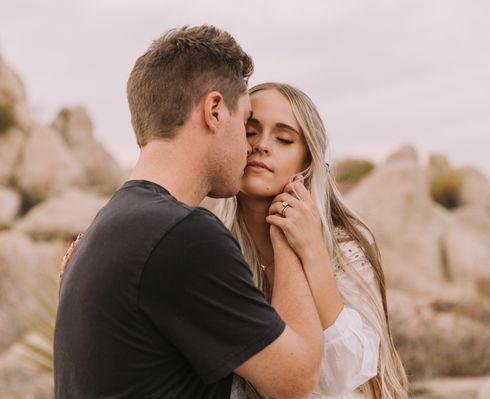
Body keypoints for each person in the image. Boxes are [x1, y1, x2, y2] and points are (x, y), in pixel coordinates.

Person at [53, 26, 324, 399]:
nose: (250, 148)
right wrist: (283, 226)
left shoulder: (107, 227)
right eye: (245, 124)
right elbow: (296, 378)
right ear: (214, 111)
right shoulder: (183, 235)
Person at [211, 83, 410, 398]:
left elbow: (347, 375)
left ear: (307, 162)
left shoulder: (346, 244)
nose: (262, 145)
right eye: (250, 131)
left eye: (284, 139)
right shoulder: (213, 246)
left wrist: (313, 253)